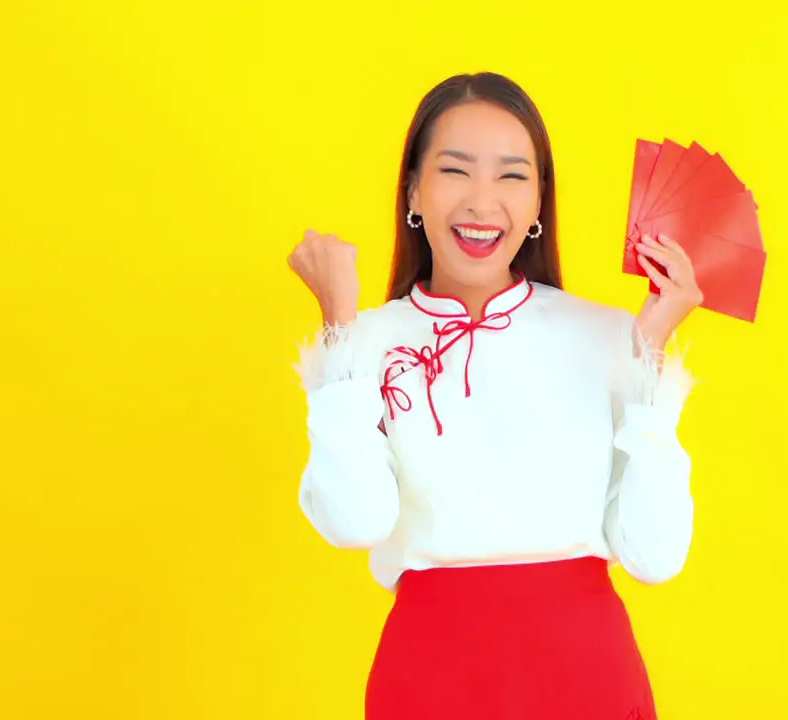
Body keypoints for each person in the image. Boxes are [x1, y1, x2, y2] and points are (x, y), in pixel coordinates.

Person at [288, 72, 703, 719]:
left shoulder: (607, 335)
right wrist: (339, 326)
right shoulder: (365, 343)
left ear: (540, 203)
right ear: (413, 193)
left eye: (512, 176)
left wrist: (650, 349)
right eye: (456, 171)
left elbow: (655, 555)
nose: (483, 202)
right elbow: (354, 522)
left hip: (586, 677)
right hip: (431, 680)